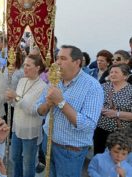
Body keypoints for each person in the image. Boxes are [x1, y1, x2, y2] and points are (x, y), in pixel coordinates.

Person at [36, 45, 104, 177]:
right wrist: (48, 103)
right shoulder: (55, 81)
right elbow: (39, 110)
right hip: (49, 142)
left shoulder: (92, 86)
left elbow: (88, 125)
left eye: (63, 58)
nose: (57, 62)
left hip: (70, 152)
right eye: (57, 58)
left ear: (77, 62)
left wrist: (61, 102)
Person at [5, 54, 47, 177]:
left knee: (28, 163)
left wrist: (16, 97)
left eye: (28, 65)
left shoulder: (43, 86)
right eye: (24, 65)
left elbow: (34, 110)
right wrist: (11, 99)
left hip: (30, 130)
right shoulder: (22, 80)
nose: (25, 68)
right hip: (17, 127)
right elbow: (16, 104)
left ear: (37, 68)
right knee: (15, 158)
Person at [93, 64, 132, 155]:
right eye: (111, 72)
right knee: (99, 155)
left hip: (121, 132)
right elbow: (93, 103)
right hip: (100, 130)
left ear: (125, 76)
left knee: (117, 157)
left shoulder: (130, 90)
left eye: (116, 72)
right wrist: (99, 108)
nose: (112, 74)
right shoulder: (102, 87)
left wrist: (116, 113)